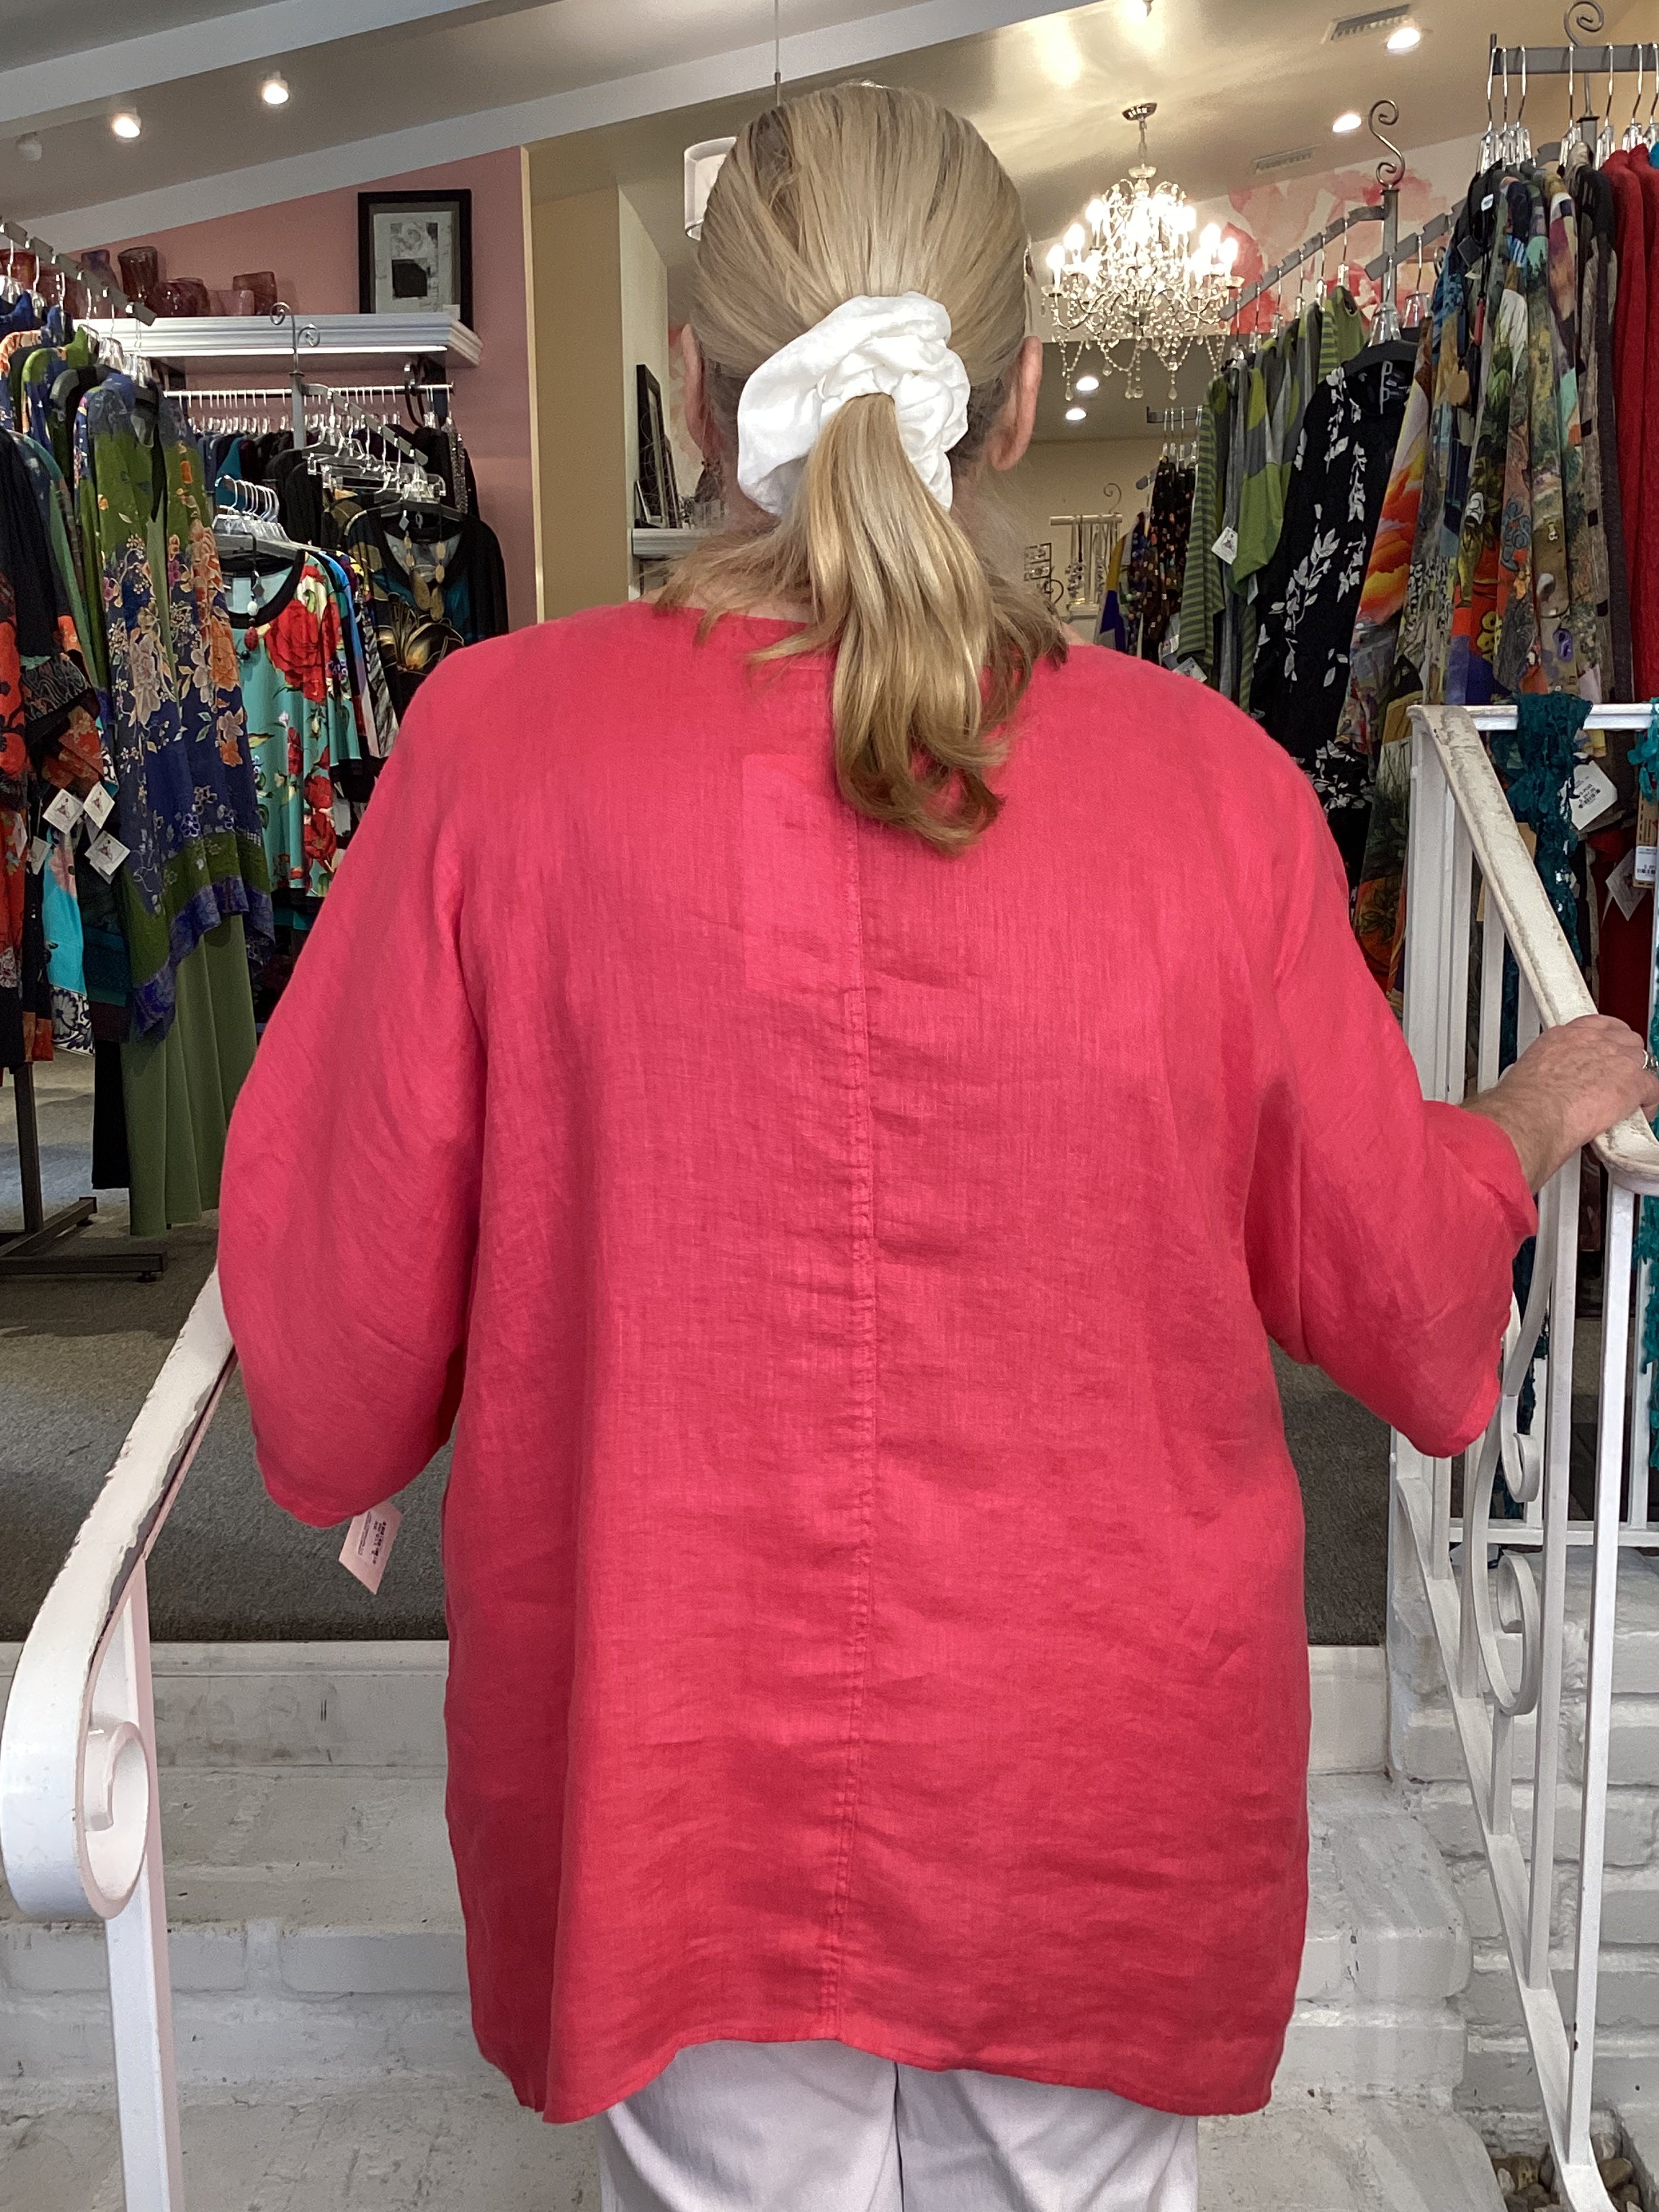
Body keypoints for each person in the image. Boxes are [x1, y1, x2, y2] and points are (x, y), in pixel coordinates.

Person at [216, 83, 1658, 2212]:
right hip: (1097, 1774)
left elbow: (337, 1313)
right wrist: (1527, 1118)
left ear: (696, 383)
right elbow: (1396, 1284)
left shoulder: (495, 754)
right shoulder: (1211, 791)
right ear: (1024, 397)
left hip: (676, 1748)